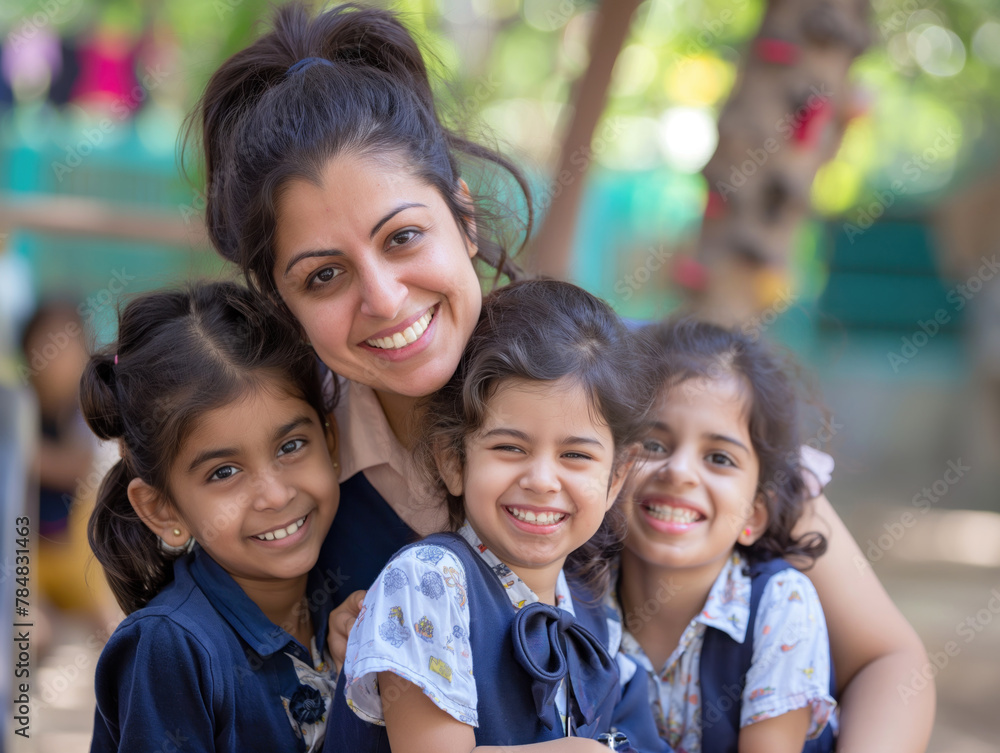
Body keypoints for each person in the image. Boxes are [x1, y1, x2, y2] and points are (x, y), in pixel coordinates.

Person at [188, 3, 935, 750]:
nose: (384, 298)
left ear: (465, 219)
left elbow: (890, 662)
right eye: (324, 275)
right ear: (282, 300)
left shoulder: (640, 393)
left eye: (405, 236)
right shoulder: (290, 479)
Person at [331, 280, 667, 753]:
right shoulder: (427, 581)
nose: (542, 480)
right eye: (510, 447)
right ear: (453, 460)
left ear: (616, 479)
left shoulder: (592, 608)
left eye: (575, 456)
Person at [84, 282, 342, 753]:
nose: (275, 494)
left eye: (291, 446)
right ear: (162, 510)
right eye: (224, 472)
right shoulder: (172, 648)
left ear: (332, 442)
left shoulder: (348, 603)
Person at [616, 317, 838, 753]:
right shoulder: (577, 594)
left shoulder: (780, 607)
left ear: (754, 514)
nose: (678, 471)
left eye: (718, 457)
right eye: (654, 445)